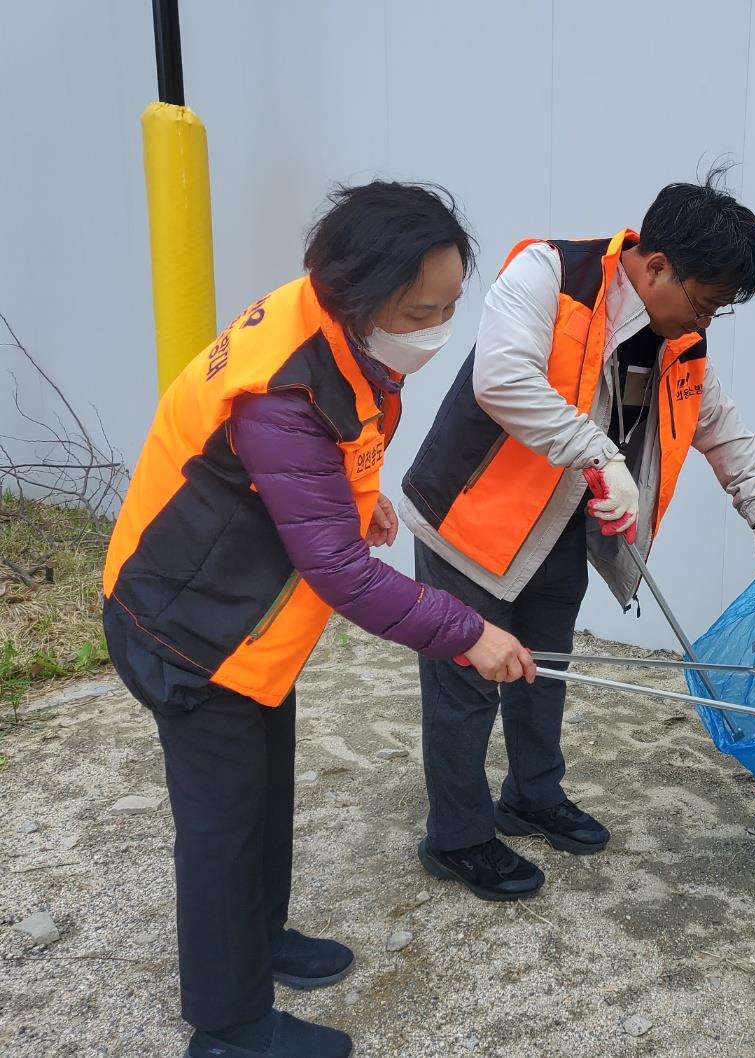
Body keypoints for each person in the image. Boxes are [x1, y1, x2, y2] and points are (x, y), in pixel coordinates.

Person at [103, 181, 535, 1058]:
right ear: (355, 296)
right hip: (189, 631)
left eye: (452, 304)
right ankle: (226, 1027)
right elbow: (337, 571)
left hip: (247, 623)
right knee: (223, 826)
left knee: (263, 796)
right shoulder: (284, 390)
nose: (439, 326)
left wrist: (353, 501)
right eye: (422, 310)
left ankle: (258, 944)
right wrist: (469, 632)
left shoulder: (344, 341)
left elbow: (328, 469)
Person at [399, 166, 755, 900]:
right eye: (705, 301)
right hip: (470, 514)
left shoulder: (674, 340)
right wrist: (596, 452)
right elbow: (500, 379)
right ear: (656, 266)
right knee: (467, 681)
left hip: (554, 525)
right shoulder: (547, 274)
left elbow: (720, 430)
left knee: (545, 667)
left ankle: (532, 794)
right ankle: (458, 836)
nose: (705, 323)